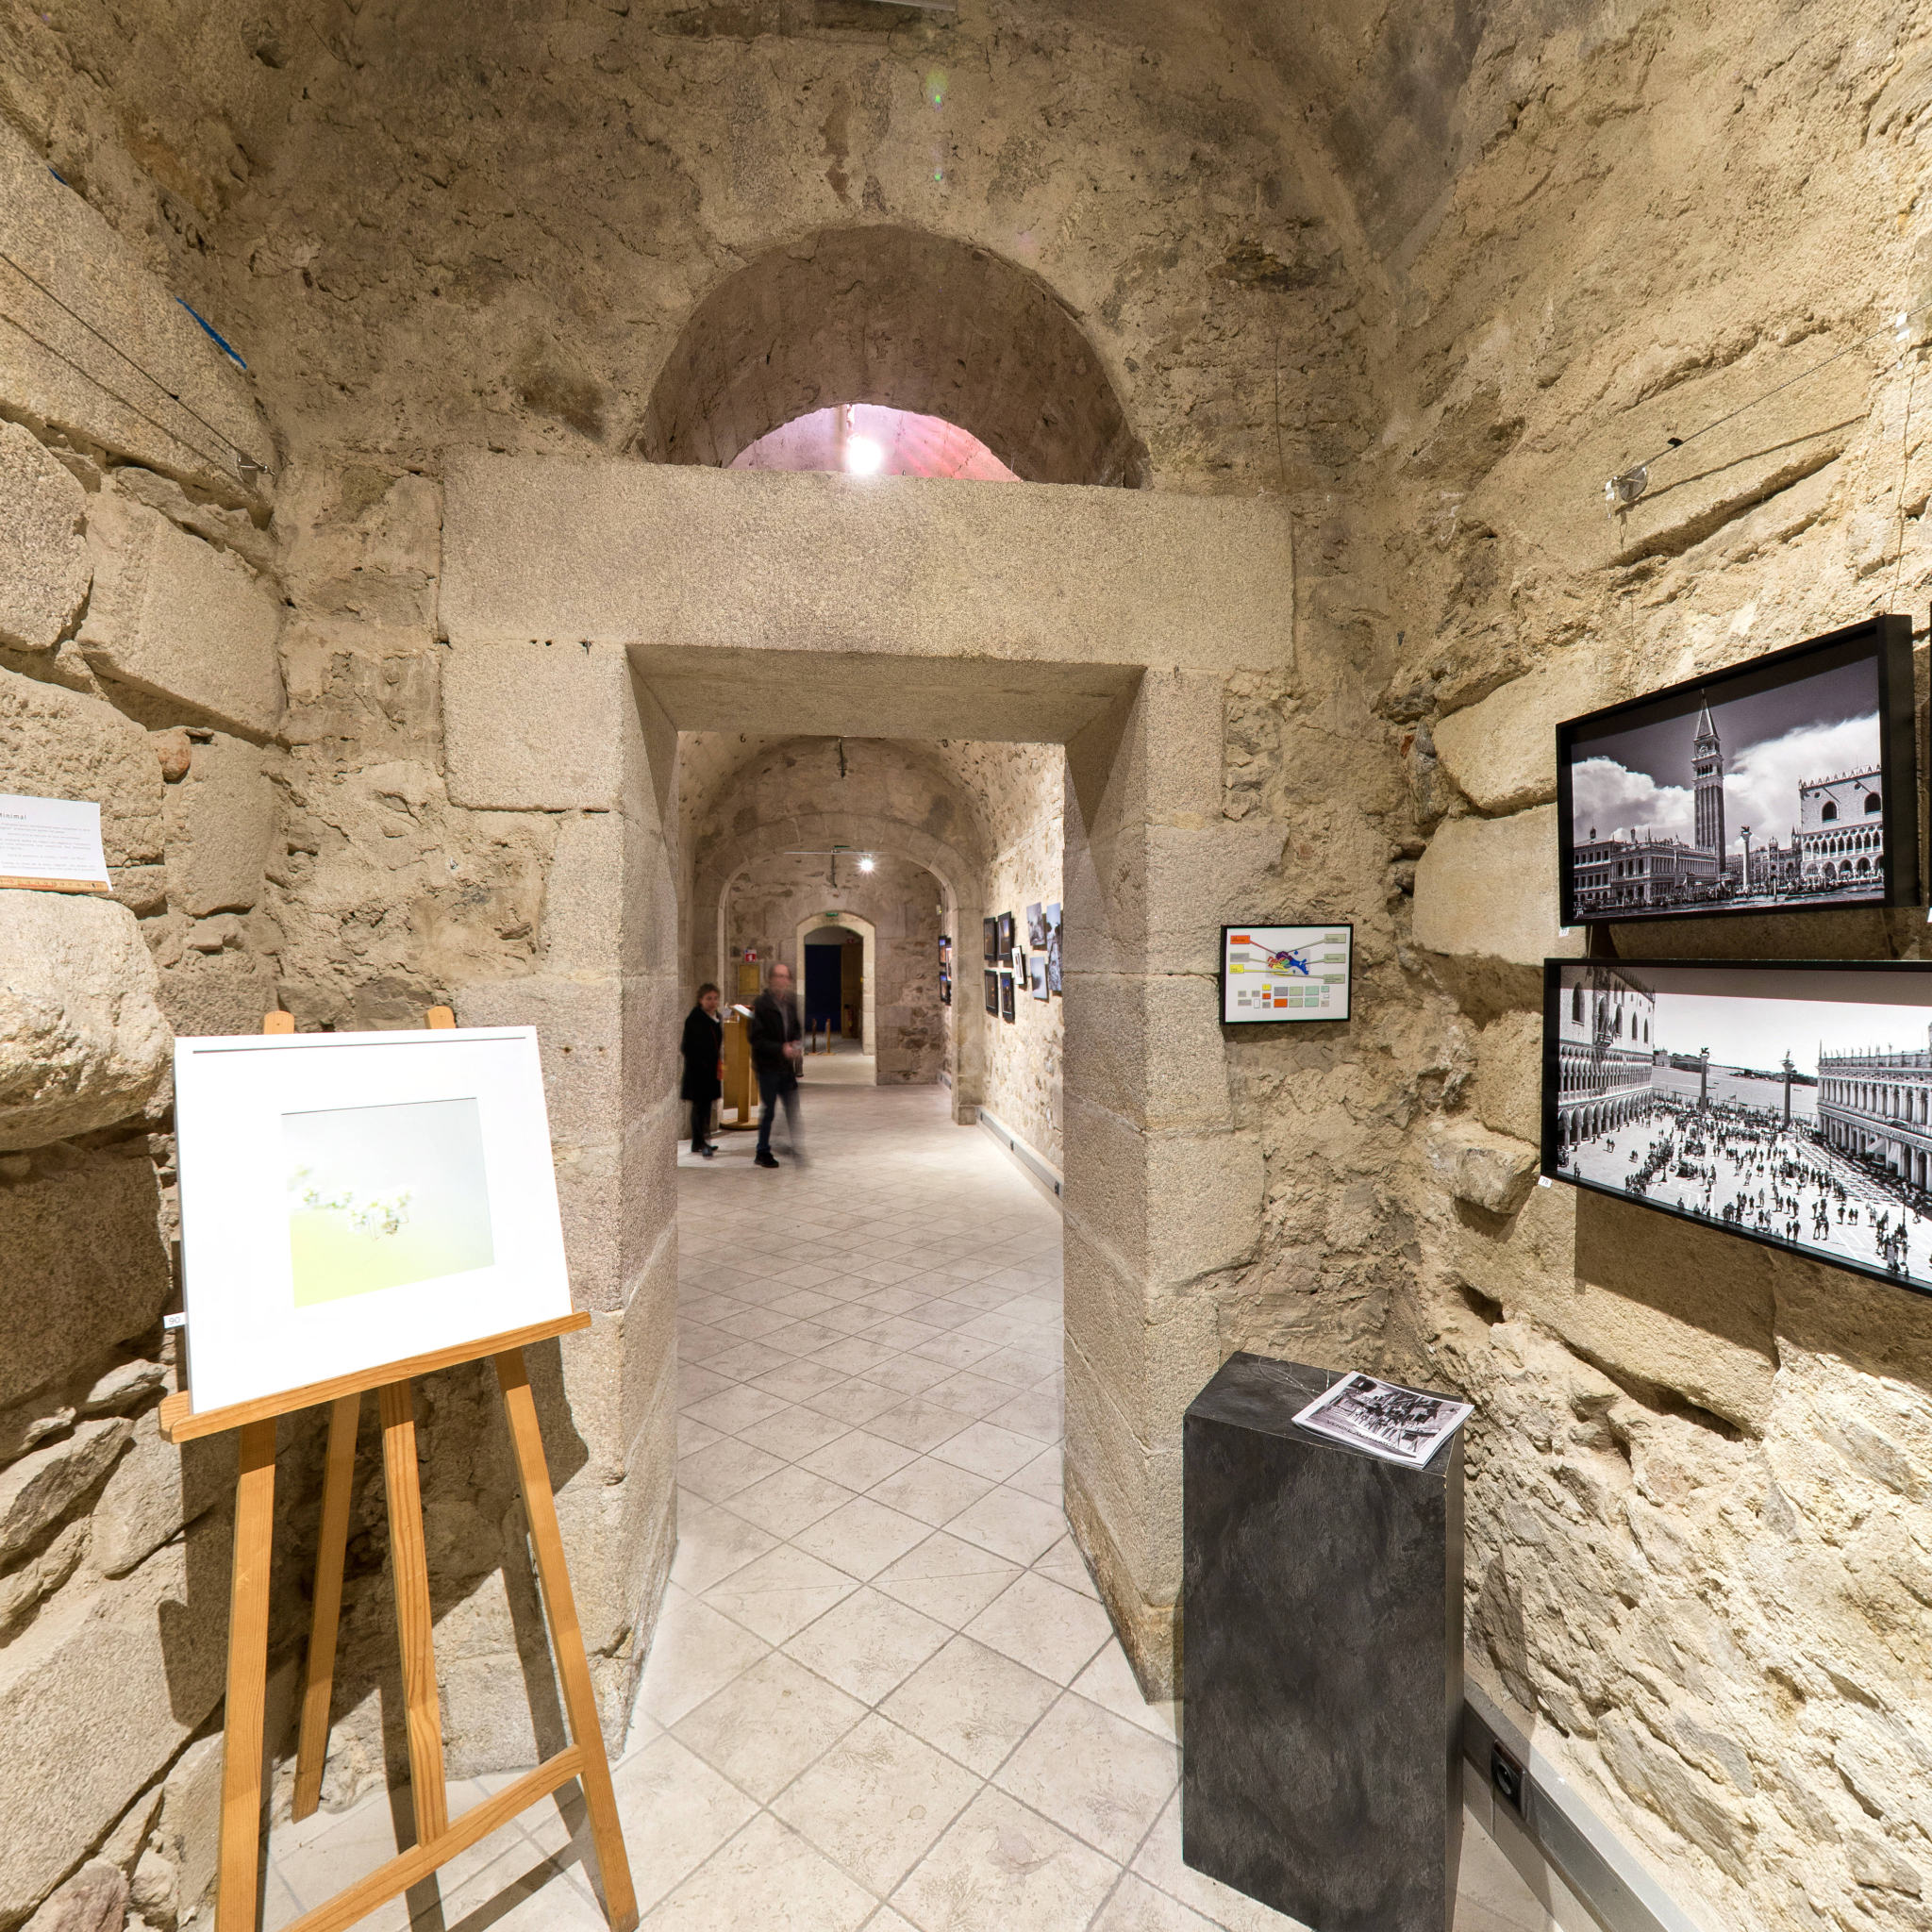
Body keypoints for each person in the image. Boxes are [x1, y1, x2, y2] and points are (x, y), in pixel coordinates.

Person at [748, 959, 804, 1169]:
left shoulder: (790, 1004)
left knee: (791, 1106)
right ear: (771, 979)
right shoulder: (762, 1004)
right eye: (778, 976)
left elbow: (795, 1028)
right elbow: (756, 1038)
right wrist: (781, 1048)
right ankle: (762, 1151)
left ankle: (792, 1145)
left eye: (785, 976)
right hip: (768, 1066)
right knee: (769, 1109)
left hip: (785, 1067)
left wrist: (796, 1044)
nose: (782, 980)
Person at [680, 983, 724, 1158]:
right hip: (698, 1072)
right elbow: (686, 1047)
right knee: (699, 1108)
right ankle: (701, 1142)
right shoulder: (695, 1019)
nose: (713, 1002)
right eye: (708, 999)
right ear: (700, 1000)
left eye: (715, 998)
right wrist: (702, 1063)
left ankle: (699, 1142)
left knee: (705, 1108)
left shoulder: (716, 1017)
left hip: (710, 1071)